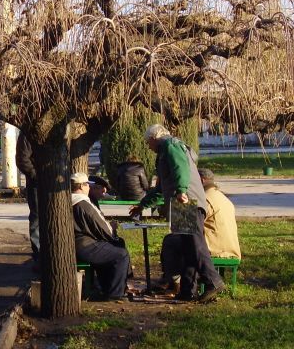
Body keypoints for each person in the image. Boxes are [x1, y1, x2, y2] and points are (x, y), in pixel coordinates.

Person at [130, 124, 225, 302]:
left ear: (155, 137)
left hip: (186, 200)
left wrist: (181, 190)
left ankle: (213, 281)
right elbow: (160, 188)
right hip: (182, 202)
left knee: (195, 244)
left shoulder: (170, 145)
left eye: (148, 142)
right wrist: (142, 205)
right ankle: (187, 291)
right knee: (188, 247)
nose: (148, 146)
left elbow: (180, 168)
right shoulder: (165, 152)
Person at [160, 168, 241, 289]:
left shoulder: (204, 199)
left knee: (172, 240)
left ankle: (173, 280)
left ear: (201, 181)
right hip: (230, 246)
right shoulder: (223, 197)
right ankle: (175, 279)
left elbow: (184, 226)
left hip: (214, 247)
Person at [71, 172, 131, 300]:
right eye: (88, 185)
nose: (89, 188)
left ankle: (108, 286)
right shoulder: (83, 204)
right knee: (121, 254)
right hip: (84, 245)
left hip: (76, 243)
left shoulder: (68, 201)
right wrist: (113, 229)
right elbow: (103, 228)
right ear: (81, 186)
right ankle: (115, 293)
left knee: (114, 246)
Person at [16, 132, 39, 267]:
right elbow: (22, 159)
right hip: (37, 184)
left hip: (53, 182)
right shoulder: (27, 133)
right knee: (37, 219)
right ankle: (39, 256)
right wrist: (35, 175)